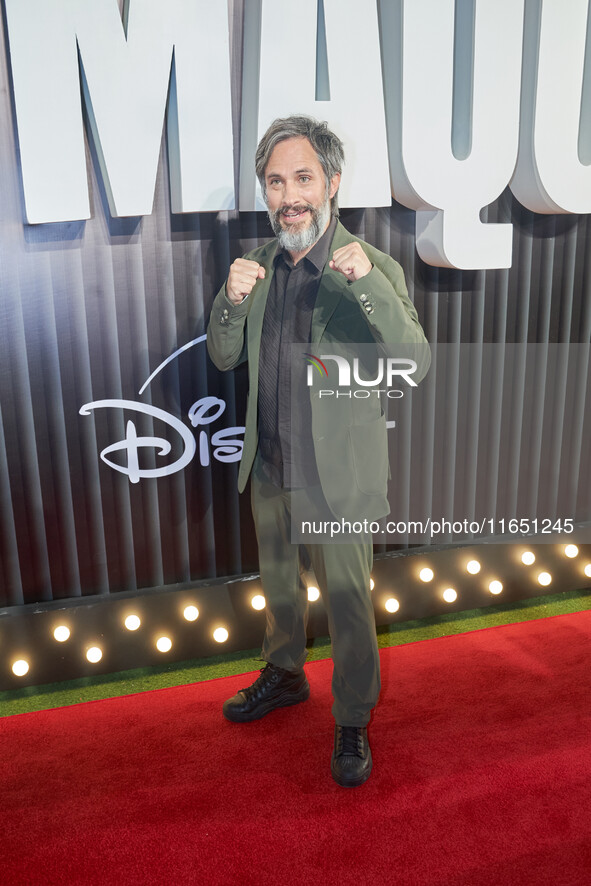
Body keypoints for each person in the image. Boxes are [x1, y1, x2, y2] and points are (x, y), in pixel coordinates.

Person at [207, 115, 430, 787]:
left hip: (339, 479)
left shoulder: (368, 264)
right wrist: (229, 300)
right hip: (271, 467)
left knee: (347, 604)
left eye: (302, 177)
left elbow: (413, 365)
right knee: (279, 589)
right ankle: (283, 673)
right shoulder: (260, 267)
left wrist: (366, 284)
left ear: (331, 182)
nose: (288, 195)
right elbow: (222, 357)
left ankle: (353, 718)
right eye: (275, 182)